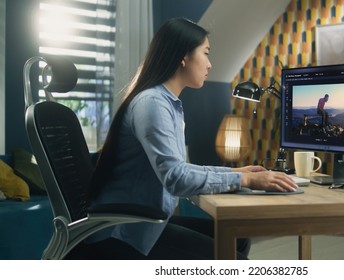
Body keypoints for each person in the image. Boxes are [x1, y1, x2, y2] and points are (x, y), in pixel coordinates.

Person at [66, 17, 298, 260]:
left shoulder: (166, 103)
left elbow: (178, 169)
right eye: (206, 53)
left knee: (238, 239)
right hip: (125, 234)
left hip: (145, 223)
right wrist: (246, 181)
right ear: (183, 57)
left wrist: (236, 173)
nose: (210, 64)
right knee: (234, 258)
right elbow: (176, 178)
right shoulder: (152, 104)